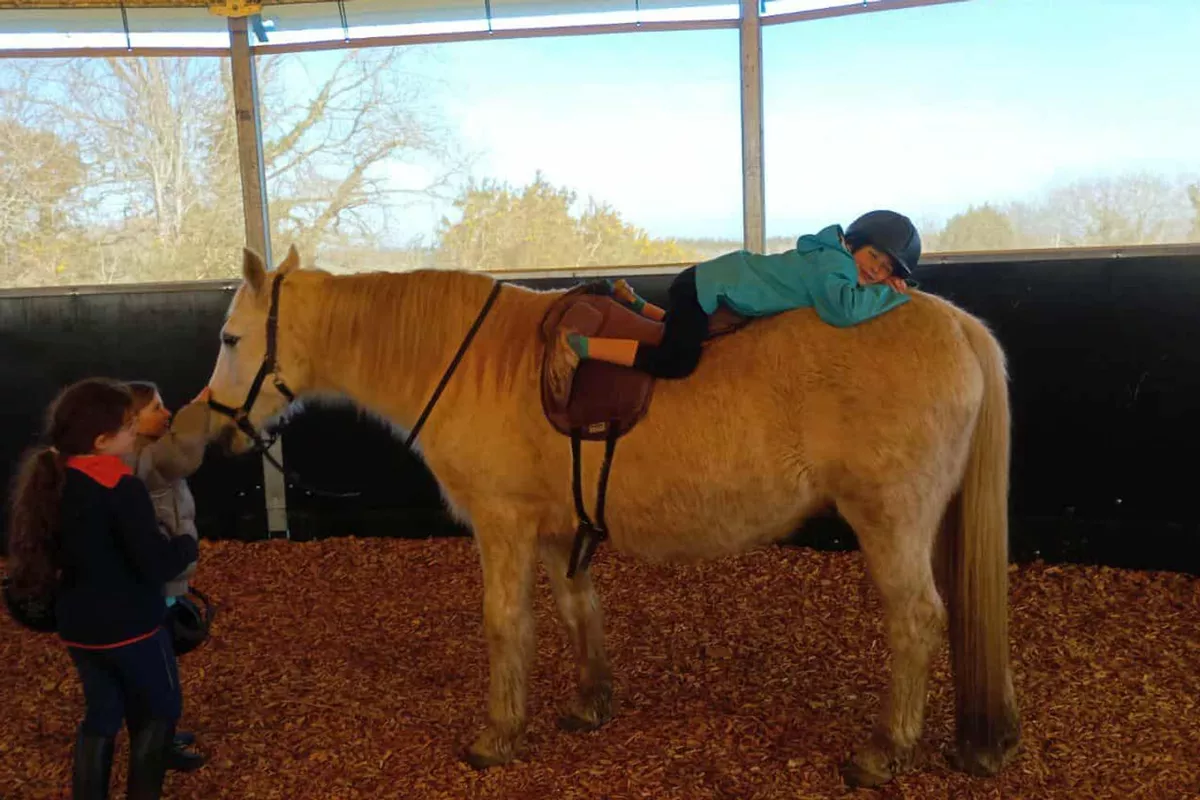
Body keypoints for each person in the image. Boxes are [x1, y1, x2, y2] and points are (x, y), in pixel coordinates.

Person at [5, 378, 199, 799]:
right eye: (128, 426)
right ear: (101, 439)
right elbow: (154, 563)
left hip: (80, 628)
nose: (135, 432)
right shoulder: (120, 487)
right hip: (132, 627)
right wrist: (185, 544)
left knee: (102, 714)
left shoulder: (52, 482)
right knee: (160, 711)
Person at [547, 209, 921, 401]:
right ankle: (578, 347)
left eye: (886, 268)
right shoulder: (833, 264)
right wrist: (892, 293)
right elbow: (843, 310)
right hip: (702, 287)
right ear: (853, 243)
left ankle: (636, 303)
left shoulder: (831, 260)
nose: (875, 269)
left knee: (693, 334)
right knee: (677, 361)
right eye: (874, 256)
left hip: (710, 286)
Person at [124, 381, 212, 773]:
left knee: (160, 666)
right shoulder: (140, 457)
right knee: (155, 672)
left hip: (160, 578)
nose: (167, 413)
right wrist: (199, 410)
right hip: (152, 582)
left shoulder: (142, 453)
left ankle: (161, 736)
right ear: (131, 419)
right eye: (156, 408)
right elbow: (180, 455)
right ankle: (156, 749)